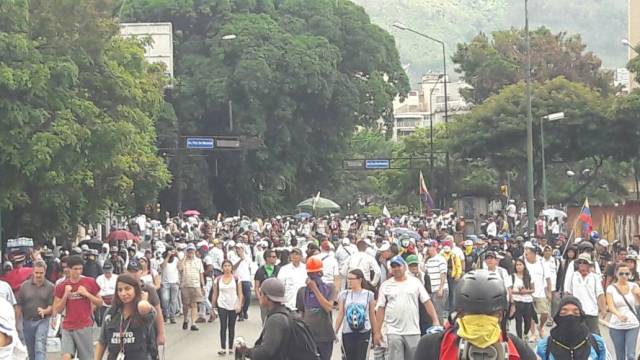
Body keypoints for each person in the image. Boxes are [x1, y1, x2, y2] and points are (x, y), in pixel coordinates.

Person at [414, 270, 536, 360]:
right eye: (474, 315)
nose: (481, 320)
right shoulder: (516, 347)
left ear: (459, 313)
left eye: (487, 315)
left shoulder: (431, 344)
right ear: (501, 315)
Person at [374, 255, 440, 360]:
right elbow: (380, 309)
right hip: (393, 330)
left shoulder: (415, 282)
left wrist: (435, 320)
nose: (396, 269)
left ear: (404, 267)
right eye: (393, 266)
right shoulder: (385, 285)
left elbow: (427, 302)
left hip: (413, 330)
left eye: (398, 266)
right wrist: (377, 332)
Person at [95, 273, 158, 360]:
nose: (123, 293)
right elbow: (102, 341)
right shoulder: (110, 313)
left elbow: (143, 307)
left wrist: (143, 299)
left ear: (136, 289)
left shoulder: (143, 309)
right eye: (119, 290)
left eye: (127, 289)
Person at [53, 255, 102, 360]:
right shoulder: (61, 286)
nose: (78, 272)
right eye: (75, 269)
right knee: (66, 357)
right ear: (68, 269)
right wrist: (66, 295)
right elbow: (58, 309)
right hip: (67, 326)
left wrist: (87, 294)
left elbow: (100, 303)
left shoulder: (89, 282)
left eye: (80, 269)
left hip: (84, 325)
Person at [235, 278, 293, 359]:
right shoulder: (286, 312)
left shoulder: (276, 319)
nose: (260, 296)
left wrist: (246, 351)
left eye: (261, 293)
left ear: (267, 297)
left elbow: (266, 352)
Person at [535, 296, 607, 360]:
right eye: (564, 312)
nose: (570, 315)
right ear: (558, 317)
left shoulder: (597, 343)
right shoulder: (544, 346)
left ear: (581, 317)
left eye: (575, 313)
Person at [296, 256, 336, 360]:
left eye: (315, 273)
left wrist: (315, 290)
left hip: (325, 335)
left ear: (321, 273)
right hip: (308, 336)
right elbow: (301, 314)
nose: (313, 277)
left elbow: (328, 307)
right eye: (310, 274)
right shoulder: (302, 292)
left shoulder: (329, 288)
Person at [334, 269, 376, 360]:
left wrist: (375, 333)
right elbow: (341, 314)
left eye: (351, 279)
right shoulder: (344, 294)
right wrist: (335, 331)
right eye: (348, 278)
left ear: (360, 280)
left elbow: (372, 315)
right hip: (348, 331)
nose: (349, 281)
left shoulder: (369, 295)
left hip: (364, 331)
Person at [15, 260, 53, 360]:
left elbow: (52, 306)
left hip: (42, 321)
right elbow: (19, 306)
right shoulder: (24, 286)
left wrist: (45, 311)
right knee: (30, 350)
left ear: (45, 272)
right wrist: (15, 323)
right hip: (27, 321)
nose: (38, 275)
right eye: (36, 272)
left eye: (41, 273)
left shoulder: (50, 287)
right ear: (33, 272)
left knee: (40, 346)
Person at [563, 253, 606, 335]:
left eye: (584, 262)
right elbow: (568, 294)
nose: (582, 264)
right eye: (580, 262)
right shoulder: (573, 276)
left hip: (591, 312)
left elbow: (600, 294)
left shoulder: (595, 277)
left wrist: (603, 310)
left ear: (589, 264)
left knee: (594, 336)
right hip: (577, 312)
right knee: (577, 336)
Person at [605, 262, 639, 360]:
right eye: (621, 274)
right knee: (620, 356)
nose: (624, 276)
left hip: (632, 324)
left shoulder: (634, 286)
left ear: (630, 274)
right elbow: (610, 306)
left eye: (627, 274)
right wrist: (618, 315)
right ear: (616, 274)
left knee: (631, 355)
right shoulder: (611, 288)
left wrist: (637, 294)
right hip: (616, 325)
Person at [211, 260, 243, 355]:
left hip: (233, 305)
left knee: (231, 326)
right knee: (223, 326)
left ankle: (230, 347)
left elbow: (240, 294)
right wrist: (213, 307)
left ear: (231, 268)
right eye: (225, 266)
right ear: (222, 268)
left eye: (229, 266)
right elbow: (215, 294)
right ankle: (223, 348)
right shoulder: (218, 279)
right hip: (222, 305)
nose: (227, 268)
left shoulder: (237, 279)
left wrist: (239, 304)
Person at [523, 243, 552, 339]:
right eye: (525, 254)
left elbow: (548, 278)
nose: (526, 256)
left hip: (541, 292)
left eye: (528, 254)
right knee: (530, 314)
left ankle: (541, 326)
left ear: (534, 254)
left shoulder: (542, 263)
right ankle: (533, 333)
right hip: (528, 293)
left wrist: (549, 292)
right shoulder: (524, 264)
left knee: (545, 313)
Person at [178, 243, 204, 331]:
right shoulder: (183, 261)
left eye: (192, 250)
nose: (191, 252)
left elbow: (201, 273)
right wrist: (184, 258)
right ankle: (186, 319)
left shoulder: (199, 261)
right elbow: (180, 268)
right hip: (185, 285)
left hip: (196, 285)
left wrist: (202, 285)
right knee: (185, 305)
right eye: (189, 250)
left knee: (194, 304)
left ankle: (193, 323)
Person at [424, 240, 448, 324]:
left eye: (430, 247)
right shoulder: (428, 261)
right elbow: (424, 272)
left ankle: (440, 331)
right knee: (433, 312)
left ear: (435, 247)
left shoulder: (440, 258)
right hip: (432, 289)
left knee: (438, 312)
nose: (428, 249)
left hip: (439, 289)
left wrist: (440, 288)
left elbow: (443, 273)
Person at [512, 258, 535, 341]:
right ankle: (519, 338)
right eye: (517, 265)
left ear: (524, 266)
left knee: (528, 321)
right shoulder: (512, 276)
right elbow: (510, 290)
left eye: (520, 264)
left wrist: (526, 291)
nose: (518, 267)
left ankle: (525, 333)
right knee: (518, 321)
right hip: (517, 301)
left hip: (527, 301)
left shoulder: (528, 276)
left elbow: (533, 289)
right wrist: (518, 293)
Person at [254, 249, 280, 322]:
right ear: (267, 258)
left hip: (276, 299)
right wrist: (260, 299)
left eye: (275, 257)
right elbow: (256, 287)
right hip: (265, 299)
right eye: (273, 257)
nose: (275, 258)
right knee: (265, 321)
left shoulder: (279, 269)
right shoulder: (260, 270)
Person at [229, 243, 252, 321]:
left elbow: (249, 268)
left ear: (243, 249)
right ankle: (240, 313)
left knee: (248, 297)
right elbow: (232, 268)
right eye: (237, 249)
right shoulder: (233, 257)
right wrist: (240, 260)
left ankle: (245, 310)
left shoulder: (248, 257)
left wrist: (251, 279)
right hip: (237, 279)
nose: (238, 250)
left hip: (246, 279)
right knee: (239, 297)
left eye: (239, 248)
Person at [160, 248, 180, 324]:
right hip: (165, 283)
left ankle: (172, 316)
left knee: (173, 300)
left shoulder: (176, 259)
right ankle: (166, 314)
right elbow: (163, 266)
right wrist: (167, 256)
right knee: (165, 299)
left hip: (174, 282)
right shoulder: (163, 258)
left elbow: (181, 267)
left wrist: (178, 256)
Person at [96, 262, 117, 327]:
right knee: (103, 319)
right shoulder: (99, 278)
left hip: (114, 301)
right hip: (103, 301)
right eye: (106, 272)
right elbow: (97, 291)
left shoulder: (117, 277)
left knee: (115, 319)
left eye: (109, 272)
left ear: (112, 270)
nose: (107, 273)